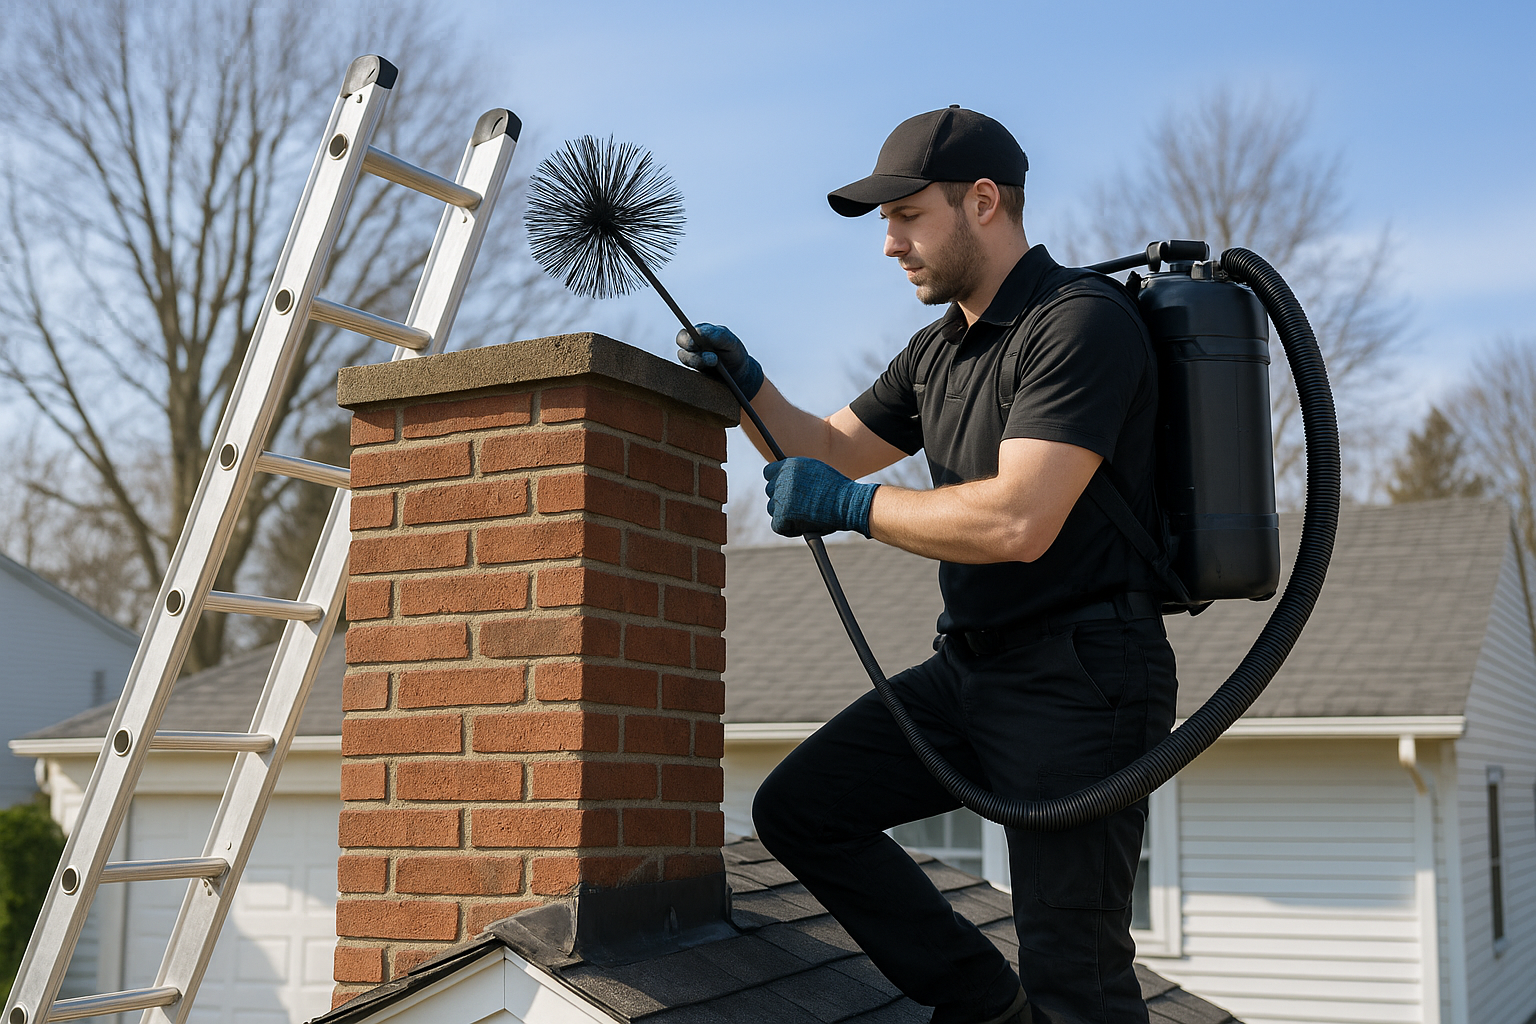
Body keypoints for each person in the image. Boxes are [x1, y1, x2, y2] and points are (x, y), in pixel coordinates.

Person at [675, 106, 1178, 1024]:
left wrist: (852, 508)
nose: (890, 245)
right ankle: (984, 1004)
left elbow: (1019, 519)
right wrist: (747, 388)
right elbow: (829, 448)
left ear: (982, 201)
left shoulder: (1079, 323)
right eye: (885, 224)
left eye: (907, 217)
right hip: (971, 670)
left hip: (1082, 678)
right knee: (802, 810)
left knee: (1076, 976)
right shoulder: (938, 351)